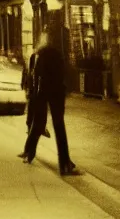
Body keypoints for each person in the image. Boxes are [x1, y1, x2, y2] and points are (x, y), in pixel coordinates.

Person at [18, 27, 77, 176]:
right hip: (56, 91)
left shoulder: (41, 53)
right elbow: (64, 73)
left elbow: (37, 74)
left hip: (43, 92)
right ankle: (64, 163)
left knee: (38, 123)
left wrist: (34, 93)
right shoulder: (58, 53)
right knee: (59, 127)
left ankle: (29, 152)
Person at [21, 52, 50, 138]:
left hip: (40, 91)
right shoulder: (32, 58)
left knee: (42, 109)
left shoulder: (43, 60)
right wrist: (24, 85)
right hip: (32, 90)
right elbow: (26, 73)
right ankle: (30, 127)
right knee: (31, 108)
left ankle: (41, 128)